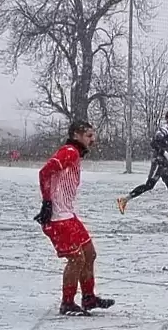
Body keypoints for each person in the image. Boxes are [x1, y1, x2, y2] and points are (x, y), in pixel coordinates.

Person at [36, 120, 114, 316]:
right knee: (76, 259)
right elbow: (45, 172)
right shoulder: (69, 151)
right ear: (76, 135)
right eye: (89, 136)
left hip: (68, 215)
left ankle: (88, 297)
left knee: (89, 254)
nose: (93, 140)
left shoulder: (75, 153)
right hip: (57, 218)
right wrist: (46, 202)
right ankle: (67, 303)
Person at [117, 110, 168, 224]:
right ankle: (124, 199)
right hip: (158, 163)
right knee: (149, 185)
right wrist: (164, 153)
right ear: (167, 119)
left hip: (164, 164)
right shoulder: (164, 129)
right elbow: (154, 143)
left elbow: (165, 145)